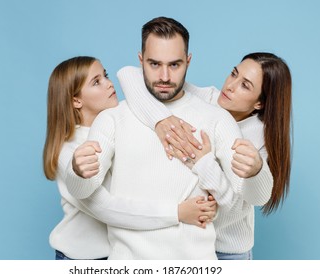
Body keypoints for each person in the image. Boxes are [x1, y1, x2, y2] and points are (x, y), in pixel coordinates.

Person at [65, 17, 246, 259]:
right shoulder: (112, 119)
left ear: (188, 61)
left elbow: (238, 206)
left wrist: (209, 175)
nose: (164, 76)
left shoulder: (217, 119)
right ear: (140, 60)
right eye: (154, 64)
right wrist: (77, 171)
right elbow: (83, 191)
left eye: (174, 65)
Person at [118, 52, 292, 259]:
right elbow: (129, 75)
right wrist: (160, 120)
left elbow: (249, 201)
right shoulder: (206, 99)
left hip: (226, 250)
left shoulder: (257, 137)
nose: (230, 86)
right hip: (186, 244)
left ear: (259, 103)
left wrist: (206, 163)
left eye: (245, 85)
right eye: (233, 74)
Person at [42, 56, 216, 260]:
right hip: (83, 258)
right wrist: (178, 213)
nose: (109, 84)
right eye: (96, 82)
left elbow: (130, 74)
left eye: (105, 75)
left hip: (120, 255)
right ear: (76, 100)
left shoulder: (116, 126)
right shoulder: (70, 153)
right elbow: (106, 209)